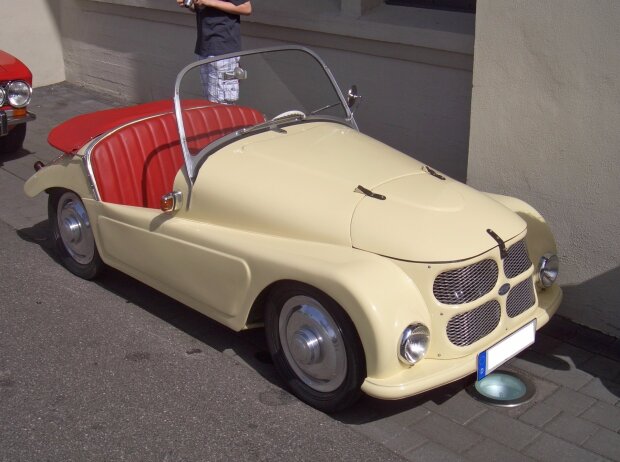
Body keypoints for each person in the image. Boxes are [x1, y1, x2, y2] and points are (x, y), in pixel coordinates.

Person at [177, 0, 252, 103]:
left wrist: (209, 1)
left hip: (223, 50)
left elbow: (246, 8)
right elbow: (203, 8)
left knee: (221, 106)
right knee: (210, 104)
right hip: (205, 47)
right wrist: (190, 4)